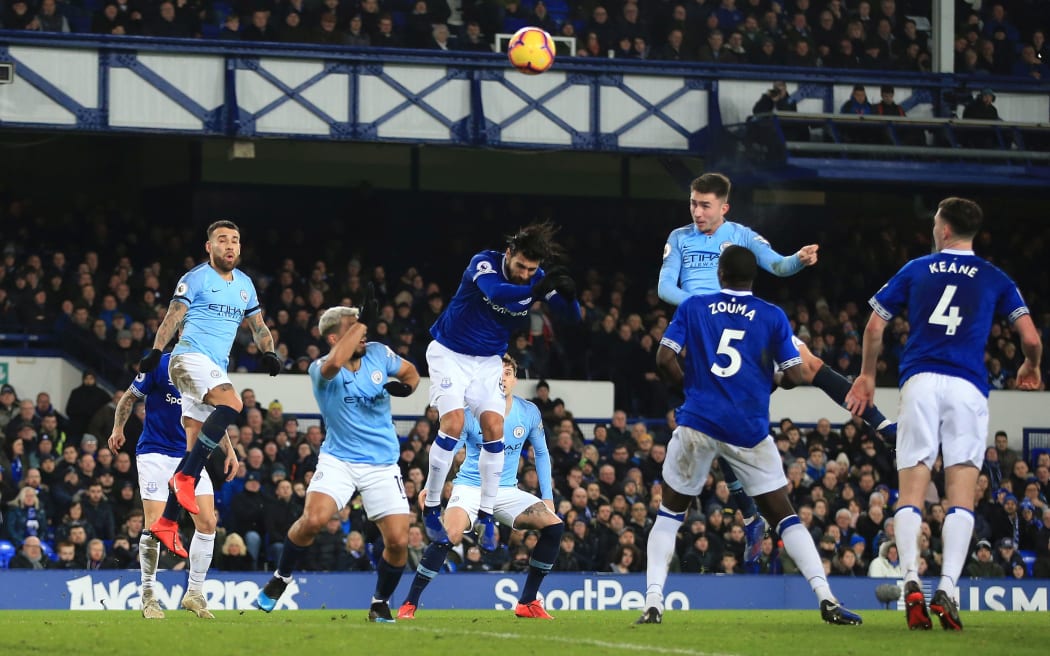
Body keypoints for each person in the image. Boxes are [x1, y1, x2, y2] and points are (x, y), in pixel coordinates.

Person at [657, 173, 896, 564]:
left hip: (743, 323)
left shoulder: (743, 235)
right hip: (703, 332)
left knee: (812, 364)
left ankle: (884, 426)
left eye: (704, 205)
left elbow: (779, 267)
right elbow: (666, 288)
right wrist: (702, 311)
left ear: (724, 208)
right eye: (693, 203)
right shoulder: (679, 238)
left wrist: (798, 261)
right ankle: (751, 514)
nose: (696, 212)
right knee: (717, 422)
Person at [846, 197, 1042, 631]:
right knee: (961, 492)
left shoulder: (917, 268)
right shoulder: (995, 277)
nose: (933, 229)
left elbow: (875, 325)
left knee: (911, 490)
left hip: (920, 382)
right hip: (968, 386)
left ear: (946, 230)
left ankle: (912, 579)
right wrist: (1032, 365)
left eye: (936, 223)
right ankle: (948, 588)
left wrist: (866, 376)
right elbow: (1029, 336)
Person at [639, 246, 862, 627]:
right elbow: (794, 376)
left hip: (698, 423)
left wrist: (693, 389)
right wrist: (765, 383)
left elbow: (663, 359)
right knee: (785, 517)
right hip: (748, 430)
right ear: (752, 277)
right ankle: (826, 598)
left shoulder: (694, 306)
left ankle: (654, 603)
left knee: (670, 515)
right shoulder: (772, 316)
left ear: (720, 274)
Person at [255, 298, 421, 622]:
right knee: (313, 521)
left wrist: (406, 388)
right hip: (339, 460)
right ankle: (281, 578)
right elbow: (334, 365)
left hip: (383, 463)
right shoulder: (320, 369)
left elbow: (412, 373)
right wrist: (360, 323)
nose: (364, 334)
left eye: (363, 328)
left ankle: (379, 602)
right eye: (354, 329)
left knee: (399, 541)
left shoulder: (379, 353)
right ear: (334, 338)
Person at [421, 222, 579, 551]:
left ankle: (487, 515)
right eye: (520, 265)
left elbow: (572, 318)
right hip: (450, 352)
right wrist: (538, 289)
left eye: (531, 269)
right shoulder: (485, 263)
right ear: (509, 254)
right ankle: (431, 506)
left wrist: (569, 295)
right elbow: (496, 292)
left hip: (488, 360)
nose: (524, 273)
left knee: (495, 427)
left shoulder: (535, 280)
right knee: (454, 422)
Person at [137, 221, 280, 556]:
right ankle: (183, 479)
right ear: (209, 247)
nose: (229, 246)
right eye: (222, 240)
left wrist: (270, 351)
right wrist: (157, 350)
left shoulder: (245, 285)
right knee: (233, 403)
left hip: (212, 367)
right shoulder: (196, 278)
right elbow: (173, 316)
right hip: (188, 359)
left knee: (195, 442)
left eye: (235, 241)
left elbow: (258, 326)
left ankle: (168, 521)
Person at [398, 355, 563, 620]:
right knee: (447, 535)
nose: (502, 378)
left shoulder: (529, 412)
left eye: (507, 373)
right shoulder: (469, 414)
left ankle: (528, 601)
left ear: (515, 379)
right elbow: (448, 450)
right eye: (497, 374)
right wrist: (431, 487)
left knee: (555, 526)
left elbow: (541, 453)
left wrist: (547, 497)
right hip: (471, 488)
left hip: (506, 490)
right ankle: (409, 603)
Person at [110, 351, 239, 619]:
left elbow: (215, 415)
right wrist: (118, 428)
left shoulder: (207, 367)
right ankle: (148, 597)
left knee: (208, 523)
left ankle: (194, 593)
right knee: (155, 524)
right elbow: (130, 396)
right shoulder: (160, 363)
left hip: (190, 455)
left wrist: (229, 450)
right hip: (155, 453)